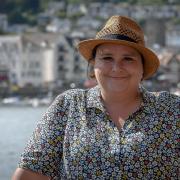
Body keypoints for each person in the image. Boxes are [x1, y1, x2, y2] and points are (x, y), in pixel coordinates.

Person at [12, 15, 179, 180]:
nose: (116, 67)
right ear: (94, 65)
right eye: (107, 58)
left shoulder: (171, 109)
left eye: (128, 59)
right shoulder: (68, 106)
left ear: (143, 67)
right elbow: (29, 172)